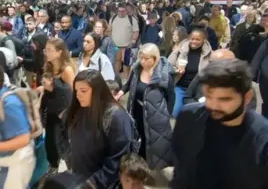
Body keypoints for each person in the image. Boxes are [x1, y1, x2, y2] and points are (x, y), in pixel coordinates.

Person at [171, 59, 268, 188]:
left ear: (247, 97)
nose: (213, 105)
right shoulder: (189, 117)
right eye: (208, 97)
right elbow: (180, 168)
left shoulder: (263, 140)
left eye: (224, 99)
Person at [66, 70, 137, 188]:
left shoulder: (116, 117)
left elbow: (118, 159)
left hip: (101, 183)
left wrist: (92, 183)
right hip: (79, 176)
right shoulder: (81, 108)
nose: (78, 95)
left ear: (97, 91)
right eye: (76, 91)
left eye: (83, 91)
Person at [114, 43, 174, 166]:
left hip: (154, 114)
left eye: (146, 59)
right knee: (137, 136)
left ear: (155, 58)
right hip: (136, 109)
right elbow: (128, 83)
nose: (142, 61)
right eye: (141, 58)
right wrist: (120, 93)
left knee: (151, 141)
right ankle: (138, 163)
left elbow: (171, 97)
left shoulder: (163, 75)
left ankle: (147, 165)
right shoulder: (137, 69)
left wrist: (166, 114)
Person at [168, 26, 212, 117]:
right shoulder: (179, 50)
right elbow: (167, 66)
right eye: (192, 39)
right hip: (181, 87)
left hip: (197, 91)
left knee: (193, 115)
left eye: (198, 39)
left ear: (203, 40)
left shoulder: (210, 54)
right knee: (176, 113)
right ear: (189, 38)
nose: (194, 42)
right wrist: (176, 70)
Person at [40, 71, 71, 175]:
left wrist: (62, 114)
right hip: (51, 119)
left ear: (51, 81)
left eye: (44, 82)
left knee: (58, 142)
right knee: (50, 143)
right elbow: (42, 107)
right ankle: (53, 165)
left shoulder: (63, 90)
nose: (42, 83)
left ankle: (62, 164)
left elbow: (68, 104)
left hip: (61, 121)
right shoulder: (46, 94)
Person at [110, 3, 139, 79]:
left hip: (127, 46)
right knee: (117, 61)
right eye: (119, 11)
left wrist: (133, 40)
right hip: (116, 46)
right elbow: (109, 30)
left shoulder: (132, 19)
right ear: (117, 11)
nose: (121, 12)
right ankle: (116, 78)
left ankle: (126, 80)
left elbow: (136, 31)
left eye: (123, 11)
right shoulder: (113, 18)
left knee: (127, 64)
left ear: (126, 11)